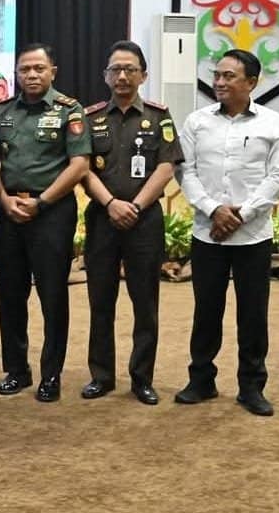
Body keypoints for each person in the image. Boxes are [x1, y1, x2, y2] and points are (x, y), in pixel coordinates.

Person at [175, 49, 279, 417]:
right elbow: (185, 171)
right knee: (206, 311)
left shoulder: (274, 123)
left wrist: (242, 214)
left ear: (251, 82)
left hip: (253, 236)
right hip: (207, 233)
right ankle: (201, 380)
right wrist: (214, 210)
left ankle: (251, 387)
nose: (220, 82)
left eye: (229, 76)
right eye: (217, 75)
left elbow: (278, 176)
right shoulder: (196, 122)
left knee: (253, 314)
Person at [80, 41, 183, 405]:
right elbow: (82, 169)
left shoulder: (159, 116)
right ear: (105, 75)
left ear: (143, 75)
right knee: (100, 301)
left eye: (130, 69)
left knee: (145, 302)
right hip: (102, 218)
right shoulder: (90, 118)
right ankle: (101, 375)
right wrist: (111, 204)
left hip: (144, 221)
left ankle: (142, 378)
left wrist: (134, 207)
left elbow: (167, 167)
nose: (122, 76)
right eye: (115, 69)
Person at [0, 43, 90, 402]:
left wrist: (41, 202)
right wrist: (3, 199)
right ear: (16, 74)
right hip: (10, 209)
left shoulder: (69, 110)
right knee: (10, 294)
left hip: (52, 213)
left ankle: (51, 374)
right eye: (24, 70)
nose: (31, 75)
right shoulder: (2, 112)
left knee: (52, 295)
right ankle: (17, 370)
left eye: (38, 69)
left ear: (52, 72)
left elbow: (79, 165)